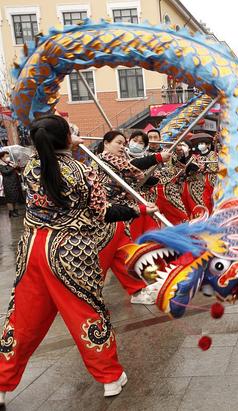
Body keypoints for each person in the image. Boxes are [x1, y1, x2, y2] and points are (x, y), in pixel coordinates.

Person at [0, 115, 159, 401]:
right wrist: (139, 210)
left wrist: (66, 142)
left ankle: (2, 381)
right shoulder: (83, 171)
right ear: (64, 139)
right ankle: (110, 377)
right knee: (85, 313)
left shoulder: (31, 168)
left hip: (32, 249)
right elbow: (103, 212)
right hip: (70, 252)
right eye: (72, 131)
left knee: (22, 318)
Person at [94, 130, 170, 304]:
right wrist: (157, 157)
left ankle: (139, 289)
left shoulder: (122, 162)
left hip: (124, 214)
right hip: (106, 217)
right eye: (118, 143)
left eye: (123, 143)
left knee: (125, 254)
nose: (122, 146)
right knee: (100, 260)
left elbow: (135, 170)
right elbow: (132, 166)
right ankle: (80, 292)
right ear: (106, 143)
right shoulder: (102, 160)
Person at [0, 151, 23, 217]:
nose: (8, 158)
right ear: (2, 158)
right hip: (8, 183)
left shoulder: (11, 163)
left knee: (15, 197)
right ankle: (11, 211)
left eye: (8, 156)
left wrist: (17, 166)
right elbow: (5, 172)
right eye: (6, 156)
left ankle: (15, 210)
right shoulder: (1, 164)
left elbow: (18, 170)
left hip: (15, 182)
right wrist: (13, 167)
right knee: (10, 198)